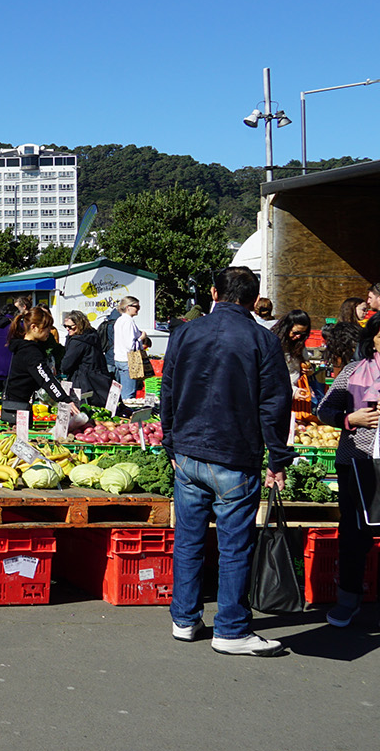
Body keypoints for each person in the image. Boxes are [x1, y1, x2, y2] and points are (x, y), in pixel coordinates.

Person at [161, 266, 295, 657]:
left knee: (188, 539)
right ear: (253, 300)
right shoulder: (261, 340)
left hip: (188, 452)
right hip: (234, 455)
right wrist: (278, 458)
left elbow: (167, 390)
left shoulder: (186, 331)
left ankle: (185, 619)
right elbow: (274, 404)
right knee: (235, 545)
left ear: (214, 292)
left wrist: (171, 442)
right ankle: (231, 628)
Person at [315, 306, 380, 639]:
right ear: (373, 340)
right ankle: (348, 600)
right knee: (354, 535)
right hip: (356, 463)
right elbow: (324, 410)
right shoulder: (355, 371)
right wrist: (349, 420)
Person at [1, 307, 80, 424]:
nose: (49, 330)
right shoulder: (30, 352)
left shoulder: (21, 346)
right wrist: (65, 400)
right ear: (34, 327)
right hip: (18, 408)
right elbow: (45, 378)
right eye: (46, 327)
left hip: (14, 403)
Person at [60, 310, 115, 402]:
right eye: (65, 326)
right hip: (98, 379)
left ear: (79, 324)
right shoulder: (93, 335)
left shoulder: (77, 342)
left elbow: (66, 365)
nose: (67, 329)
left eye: (70, 326)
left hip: (82, 381)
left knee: (83, 409)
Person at [272, 309, 318, 417]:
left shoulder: (300, 346)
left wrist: (309, 369)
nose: (298, 337)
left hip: (296, 398)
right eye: (296, 332)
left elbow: (307, 368)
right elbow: (273, 376)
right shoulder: (274, 344)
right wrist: (292, 391)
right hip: (279, 397)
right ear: (286, 328)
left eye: (303, 334)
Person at [112, 296, 148, 401]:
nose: (138, 309)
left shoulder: (119, 320)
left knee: (122, 393)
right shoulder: (128, 322)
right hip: (129, 360)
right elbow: (130, 345)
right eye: (136, 306)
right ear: (128, 307)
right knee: (128, 396)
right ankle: (127, 415)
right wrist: (141, 338)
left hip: (119, 358)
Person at [323, 297, 365, 374]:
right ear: (352, 309)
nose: (365, 313)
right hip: (349, 370)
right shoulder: (343, 330)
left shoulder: (337, 328)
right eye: (363, 309)